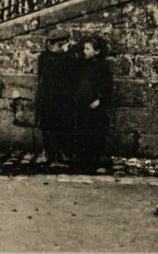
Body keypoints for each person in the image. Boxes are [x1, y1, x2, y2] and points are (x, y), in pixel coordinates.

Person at [34, 30, 77, 167]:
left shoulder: (66, 58)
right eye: (59, 45)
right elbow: (42, 76)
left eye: (63, 45)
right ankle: (48, 153)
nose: (62, 48)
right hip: (48, 97)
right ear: (50, 45)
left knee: (62, 126)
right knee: (47, 126)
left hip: (62, 99)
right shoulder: (46, 58)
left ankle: (61, 154)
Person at [73, 36, 113, 174]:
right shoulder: (83, 65)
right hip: (83, 104)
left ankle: (97, 161)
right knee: (82, 131)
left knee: (96, 132)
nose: (84, 51)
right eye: (84, 48)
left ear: (97, 51)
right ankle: (83, 161)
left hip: (96, 106)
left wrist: (99, 99)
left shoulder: (102, 67)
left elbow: (107, 86)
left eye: (88, 49)